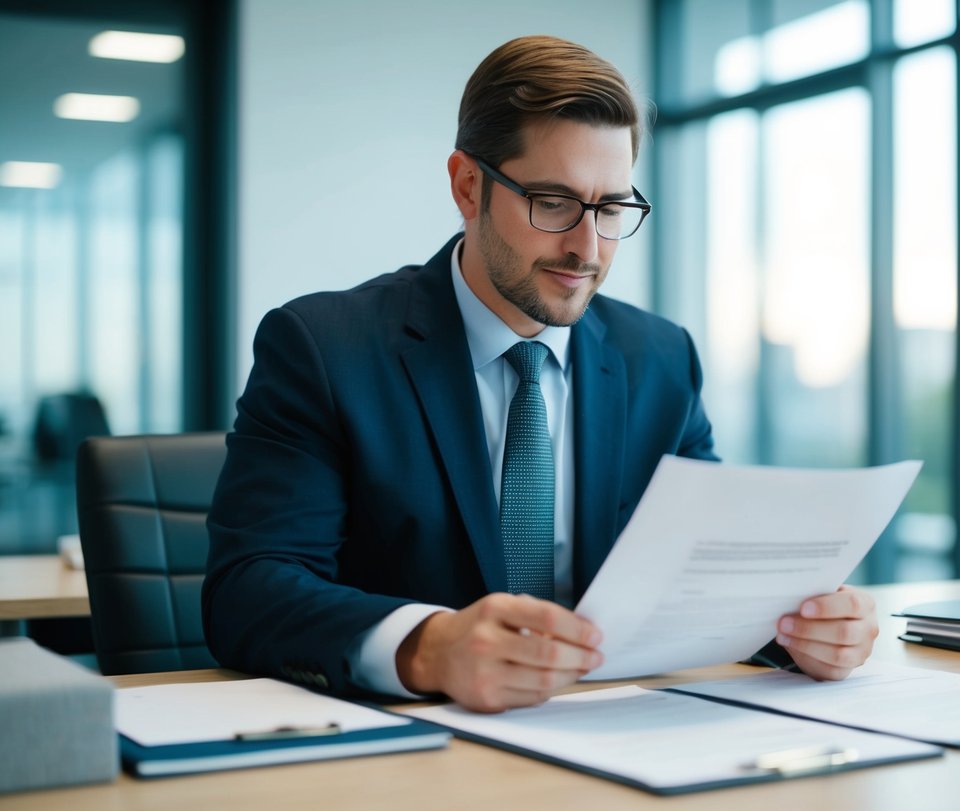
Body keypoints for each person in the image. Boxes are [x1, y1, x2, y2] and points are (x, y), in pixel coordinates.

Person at [203, 34, 878, 713]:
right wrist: (429, 647)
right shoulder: (325, 348)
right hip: (413, 742)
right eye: (553, 203)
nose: (587, 248)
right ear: (468, 187)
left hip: (614, 732)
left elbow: (701, 574)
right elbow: (249, 590)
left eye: (611, 209)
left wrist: (796, 630)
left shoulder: (660, 359)